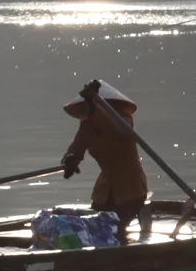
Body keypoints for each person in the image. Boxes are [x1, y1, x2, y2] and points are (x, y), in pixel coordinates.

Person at [60, 80, 151, 214]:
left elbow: (113, 126)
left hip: (131, 189)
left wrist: (94, 106)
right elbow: (76, 149)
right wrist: (70, 161)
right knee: (98, 223)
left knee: (117, 229)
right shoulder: (87, 127)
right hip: (104, 191)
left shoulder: (125, 121)